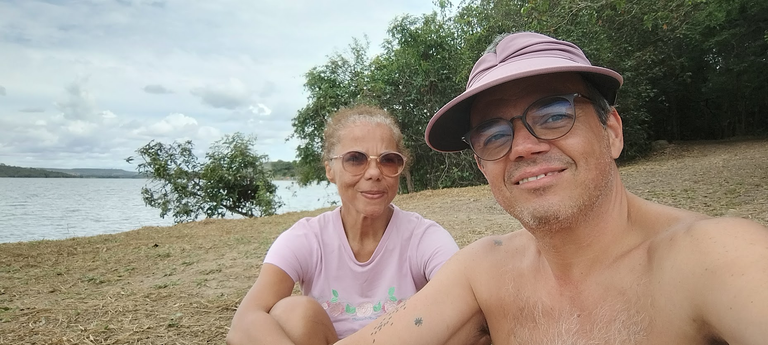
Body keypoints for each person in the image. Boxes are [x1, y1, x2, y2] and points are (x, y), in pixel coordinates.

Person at [336, 32, 768, 345]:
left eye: (554, 113)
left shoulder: (713, 258)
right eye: (493, 135)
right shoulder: (484, 273)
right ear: (482, 165)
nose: (522, 147)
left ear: (611, 132)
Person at [226, 105, 463, 345]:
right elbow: (245, 322)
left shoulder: (423, 237)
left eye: (388, 160)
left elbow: (463, 306)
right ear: (330, 169)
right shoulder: (307, 238)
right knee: (292, 313)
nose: (373, 172)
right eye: (355, 159)